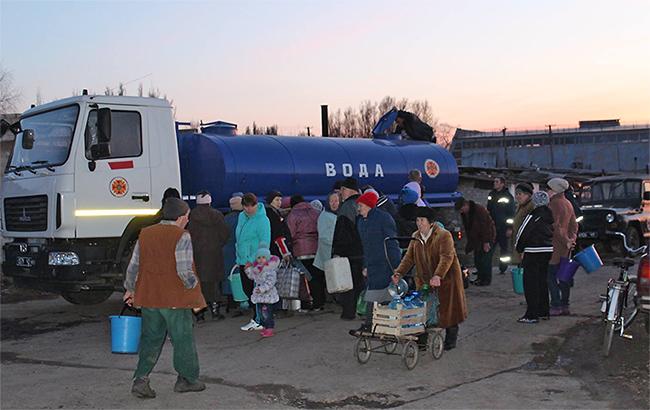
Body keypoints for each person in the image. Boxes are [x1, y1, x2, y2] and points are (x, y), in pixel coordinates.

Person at [123, 197, 206, 398]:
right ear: (180, 217)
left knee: (151, 339)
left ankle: (141, 380)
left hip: (149, 297)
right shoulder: (181, 235)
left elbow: (134, 265)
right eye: (187, 216)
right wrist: (194, 291)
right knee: (182, 339)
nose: (187, 220)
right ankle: (187, 380)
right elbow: (184, 271)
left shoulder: (146, 234)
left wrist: (130, 288)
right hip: (175, 299)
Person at [392, 207, 467, 350]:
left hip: (447, 278)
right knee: (423, 308)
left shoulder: (443, 235)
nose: (419, 223)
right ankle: (422, 341)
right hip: (425, 278)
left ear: (431, 222)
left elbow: (447, 257)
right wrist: (398, 273)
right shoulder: (416, 236)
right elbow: (409, 258)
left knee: (447, 309)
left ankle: (451, 339)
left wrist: (438, 275)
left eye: (422, 220)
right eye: (417, 220)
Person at [353, 191, 401, 333]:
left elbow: (392, 244)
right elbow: (365, 247)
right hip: (372, 265)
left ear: (368, 205)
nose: (358, 208)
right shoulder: (362, 222)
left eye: (360, 205)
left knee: (379, 296)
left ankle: (377, 324)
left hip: (385, 264)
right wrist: (365, 265)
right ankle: (374, 324)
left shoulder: (383, 219)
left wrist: (396, 268)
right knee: (373, 296)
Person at [187, 190, 230, 322]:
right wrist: (217, 244)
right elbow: (225, 233)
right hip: (214, 254)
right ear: (210, 201)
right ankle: (215, 311)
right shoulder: (216, 215)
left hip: (196, 255)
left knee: (198, 285)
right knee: (213, 284)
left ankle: (199, 315)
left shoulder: (191, 216)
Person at [514, 191, 554, 323]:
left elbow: (523, 232)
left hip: (533, 251)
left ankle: (531, 314)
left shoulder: (533, 215)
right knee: (542, 281)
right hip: (547, 250)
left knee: (530, 283)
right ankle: (544, 311)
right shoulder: (549, 215)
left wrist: (519, 248)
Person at [236, 193, 271, 331]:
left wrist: (255, 261)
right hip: (243, 260)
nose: (249, 209)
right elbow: (239, 240)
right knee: (248, 290)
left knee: (256, 291)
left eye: (252, 206)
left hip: (256, 262)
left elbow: (264, 241)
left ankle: (259, 320)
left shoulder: (263, 220)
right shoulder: (241, 217)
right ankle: (258, 318)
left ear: (256, 205)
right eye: (246, 206)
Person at [546, 178, 579, 316]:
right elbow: (574, 225)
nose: (546, 191)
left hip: (555, 246)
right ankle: (565, 305)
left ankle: (555, 305)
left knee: (550, 276)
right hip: (565, 249)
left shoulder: (554, 204)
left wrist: (565, 240)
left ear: (554, 190)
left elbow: (555, 226)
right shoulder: (568, 203)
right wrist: (572, 239)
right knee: (564, 277)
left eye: (548, 188)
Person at [286, 194, 323, 311]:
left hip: (300, 250)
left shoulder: (293, 215)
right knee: (317, 275)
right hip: (316, 248)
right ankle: (319, 302)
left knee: (306, 278)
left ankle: (308, 303)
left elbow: (290, 233)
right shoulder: (315, 212)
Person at [455, 197, 496, 286]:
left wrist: (486, 242)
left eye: (462, 209)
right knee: (478, 260)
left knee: (485, 260)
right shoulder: (465, 214)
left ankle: (486, 280)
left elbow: (486, 226)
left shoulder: (479, 210)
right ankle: (480, 278)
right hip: (476, 240)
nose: (461, 212)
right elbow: (468, 229)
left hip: (486, 238)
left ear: (466, 205)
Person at [244, 245, 280, 338]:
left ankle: (269, 328)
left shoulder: (270, 270)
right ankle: (265, 326)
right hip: (260, 296)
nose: (261, 260)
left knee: (267, 313)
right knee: (261, 313)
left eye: (263, 257)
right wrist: (248, 269)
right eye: (259, 258)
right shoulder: (257, 269)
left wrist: (262, 288)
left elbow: (270, 282)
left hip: (267, 295)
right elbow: (252, 276)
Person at [487, 177, 516, 274]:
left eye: (497, 182)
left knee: (504, 250)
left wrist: (509, 228)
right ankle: (486, 268)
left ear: (502, 184)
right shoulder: (491, 194)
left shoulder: (508, 196)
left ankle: (503, 268)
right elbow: (489, 210)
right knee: (489, 248)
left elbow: (511, 214)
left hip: (503, 228)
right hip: (493, 227)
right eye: (494, 181)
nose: (494, 183)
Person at [223, 193, 243, 313]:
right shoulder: (243, 218)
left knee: (229, 276)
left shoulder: (226, 218)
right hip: (238, 249)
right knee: (239, 276)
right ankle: (241, 301)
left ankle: (231, 304)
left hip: (226, 250)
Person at [313, 192, 340, 274]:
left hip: (335, 256)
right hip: (328, 257)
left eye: (336, 201)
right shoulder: (324, 216)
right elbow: (323, 237)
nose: (334, 203)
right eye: (331, 201)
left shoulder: (339, 214)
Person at [511, 183, 535, 266]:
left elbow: (530, 229)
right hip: (520, 243)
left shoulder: (531, 206)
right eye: (516, 194)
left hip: (526, 246)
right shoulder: (521, 206)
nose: (517, 196)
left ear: (527, 195)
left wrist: (525, 249)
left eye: (520, 194)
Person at [265, 191, 291, 259]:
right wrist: (285, 252)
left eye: (280, 200)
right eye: (276, 200)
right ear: (270, 201)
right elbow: (278, 234)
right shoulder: (272, 215)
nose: (279, 202)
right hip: (275, 250)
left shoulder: (274, 212)